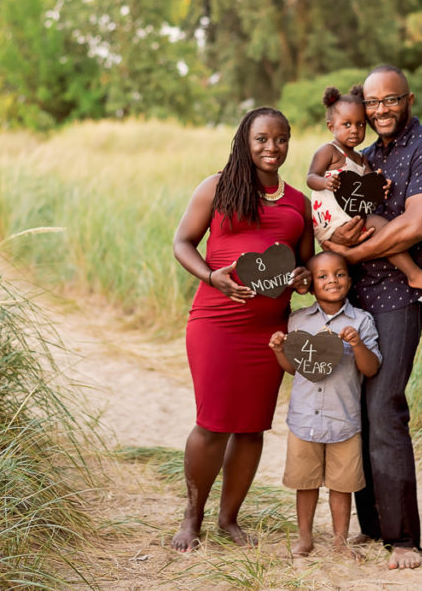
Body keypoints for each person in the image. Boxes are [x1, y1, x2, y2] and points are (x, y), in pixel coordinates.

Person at [321, 66, 422, 570]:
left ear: (409, 99)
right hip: (352, 300)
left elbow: (416, 227)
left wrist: (348, 257)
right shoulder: (364, 153)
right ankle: (373, 525)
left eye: (390, 101)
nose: (380, 110)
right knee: (354, 410)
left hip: (399, 297)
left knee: (384, 410)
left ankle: (404, 540)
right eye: (372, 102)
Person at [171, 106, 314, 553]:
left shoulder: (298, 202)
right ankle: (191, 518)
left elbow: (306, 262)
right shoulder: (217, 187)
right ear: (244, 142)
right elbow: (182, 242)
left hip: (268, 330)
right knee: (213, 424)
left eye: (281, 139)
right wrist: (212, 275)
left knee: (251, 428)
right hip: (217, 321)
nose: (272, 148)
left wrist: (305, 278)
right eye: (262, 139)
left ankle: (228, 519)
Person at [268, 251, 381, 560]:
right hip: (304, 420)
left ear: (350, 279)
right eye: (323, 276)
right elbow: (293, 368)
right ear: (310, 285)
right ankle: (305, 539)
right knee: (305, 484)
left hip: (343, 421)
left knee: (341, 486)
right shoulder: (299, 319)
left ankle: (340, 542)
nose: (332, 279)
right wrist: (280, 349)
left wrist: (356, 344)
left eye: (340, 274)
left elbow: (370, 368)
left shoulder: (361, 320)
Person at [307, 85, 422, 294]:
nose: (355, 130)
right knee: (381, 226)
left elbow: (371, 184)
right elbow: (310, 178)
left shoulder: (362, 158)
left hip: (350, 215)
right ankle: (413, 273)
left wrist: (383, 187)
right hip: (331, 220)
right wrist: (325, 182)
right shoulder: (329, 151)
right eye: (347, 125)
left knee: (377, 228)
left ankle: (348, 271)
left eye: (360, 125)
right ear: (331, 126)